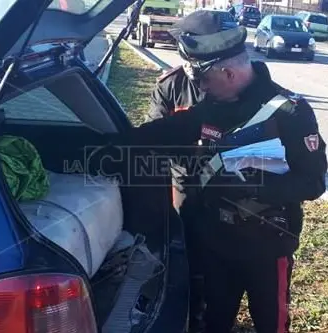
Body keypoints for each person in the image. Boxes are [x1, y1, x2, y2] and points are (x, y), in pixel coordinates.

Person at [109, 10, 327, 333]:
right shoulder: (210, 107)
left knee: (272, 324)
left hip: (268, 248)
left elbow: (314, 182)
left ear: (227, 74)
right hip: (216, 244)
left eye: (202, 79)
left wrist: (258, 186)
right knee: (214, 322)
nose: (198, 88)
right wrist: (101, 145)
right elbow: (159, 134)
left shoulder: (290, 112)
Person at [146, 58, 206, 333]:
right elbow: (153, 134)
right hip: (182, 176)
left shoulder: (229, 83)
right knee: (186, 241)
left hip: (227, 181)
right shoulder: (171, 84)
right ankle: (192, 310)